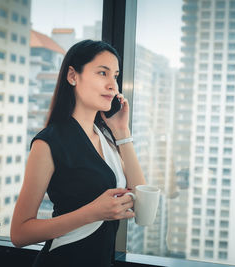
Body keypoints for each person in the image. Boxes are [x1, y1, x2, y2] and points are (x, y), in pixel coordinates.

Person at [10, 39, 146, 266]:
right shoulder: (48, 142)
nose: (113, 85)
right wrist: (92, 212)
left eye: (115, 75)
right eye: (103, 73)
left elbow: (142, 207)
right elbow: (20, 233)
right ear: (73, 76)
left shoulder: (108, 139)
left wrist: (123, 133)